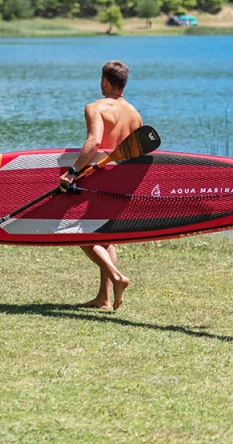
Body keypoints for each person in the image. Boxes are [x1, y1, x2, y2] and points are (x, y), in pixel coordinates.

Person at [60, 60, 143, 310]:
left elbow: (94, 143)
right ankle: (104, 298)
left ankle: (117, 277)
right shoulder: (135, 114)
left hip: (98, 178)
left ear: (105, 81)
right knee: (105, 239)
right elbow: (136, 154)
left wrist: (73, 172)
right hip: (123, 180)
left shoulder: (95, 107)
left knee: (81, 233)